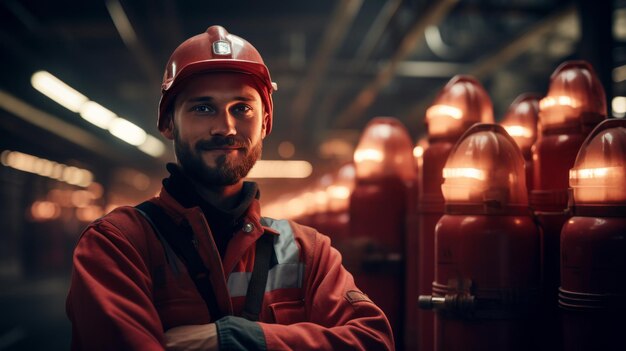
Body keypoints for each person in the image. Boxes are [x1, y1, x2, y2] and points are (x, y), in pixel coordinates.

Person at [66, 25, 394, 351]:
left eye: (242, 108)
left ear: (264, 123)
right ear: (169, 123)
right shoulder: (117, 245)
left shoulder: (307, 251)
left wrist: (239, 338)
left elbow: (374, 341)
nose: (225, 128)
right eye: (203, 108)